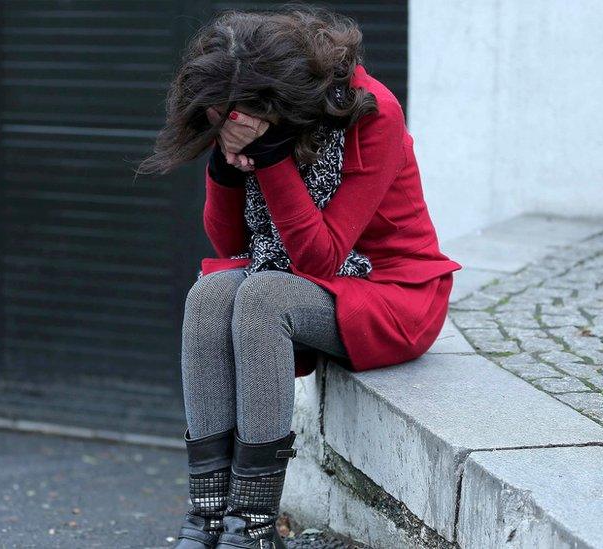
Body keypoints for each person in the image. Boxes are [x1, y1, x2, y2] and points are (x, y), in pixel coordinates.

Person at [138, 7, 461, 549]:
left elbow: (320, 257)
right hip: (318, 286)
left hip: (393, 294)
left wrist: (268, 159)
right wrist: (224, 165)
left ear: (279, 98)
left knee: (262, 296)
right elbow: (233, 246)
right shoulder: (259, 120)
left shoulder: (371, 112)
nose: (229, 121)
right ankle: (208, 517)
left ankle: (256, 527)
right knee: (211, 292)